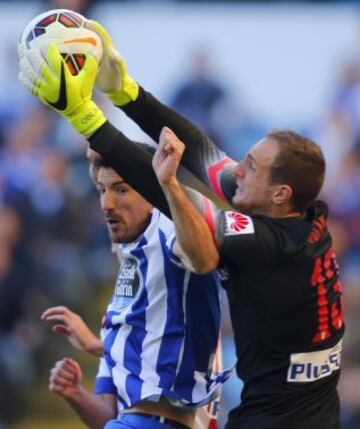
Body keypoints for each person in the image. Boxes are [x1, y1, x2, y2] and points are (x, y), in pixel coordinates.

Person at [18, 21, 344, 429]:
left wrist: (85, 118)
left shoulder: (263, 243)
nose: (237, 169)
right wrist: (126, 92)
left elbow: (175, 198)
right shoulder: (305, 220)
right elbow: (203, 155)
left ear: (279, 193)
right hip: (315, 416)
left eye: (252, 167)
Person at [41, 148, 224, 429]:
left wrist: (94, 130)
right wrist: (75, 393)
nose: (106, 203)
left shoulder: (169, 231)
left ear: (154, 193)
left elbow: (205, 258)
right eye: (102, 190)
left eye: (121, 190)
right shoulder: (119, 311)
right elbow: (108, 414)